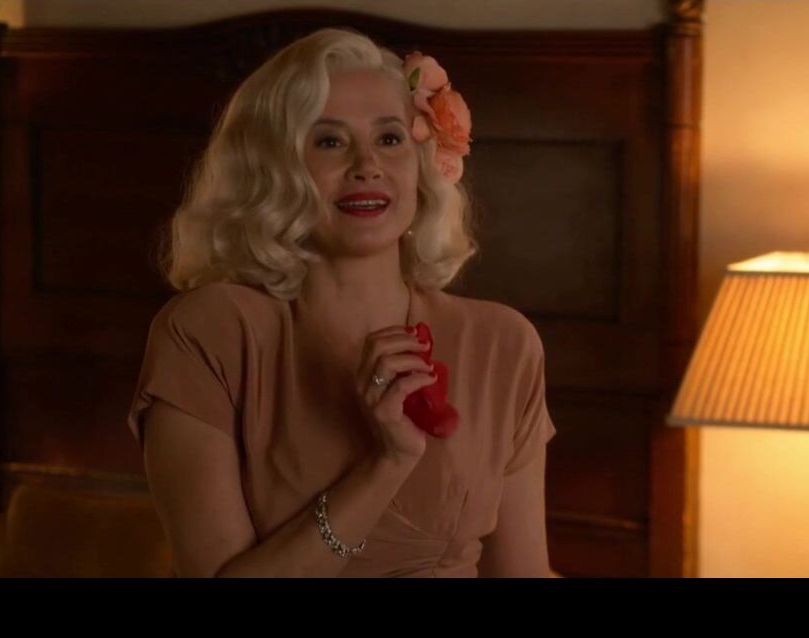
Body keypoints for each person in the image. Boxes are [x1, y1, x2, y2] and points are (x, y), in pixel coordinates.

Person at [125, 27, 556, 578]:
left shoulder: (502, 343)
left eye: (390, 139)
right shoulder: (209, 333)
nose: (367, 165)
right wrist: (387, 463)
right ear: (274, 169)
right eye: (330, 141)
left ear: (422, 165)